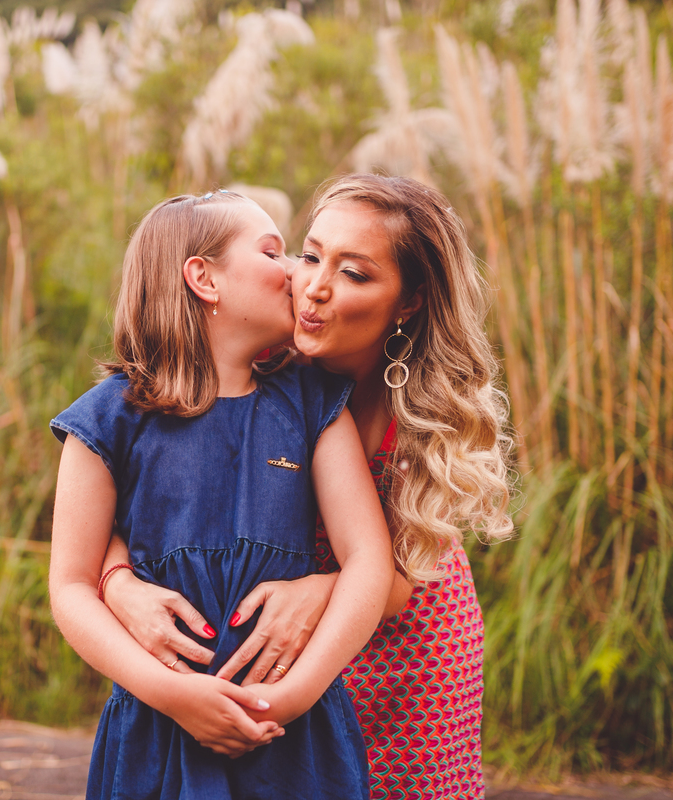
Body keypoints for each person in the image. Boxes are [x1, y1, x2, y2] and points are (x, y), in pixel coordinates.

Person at [100, 175, 514, 799]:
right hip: (271, 650)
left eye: (355, 273)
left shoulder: (425, 409)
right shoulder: (264, 364)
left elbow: (397, 571)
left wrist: (320, 590)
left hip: (405, 655)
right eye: (311, 255)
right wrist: (118, 581)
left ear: (408, 302)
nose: (315, 286)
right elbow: (140, 494)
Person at [48, 189, 396, 800]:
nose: (294, 272)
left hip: (293, 737)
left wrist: (289, 699)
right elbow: (71, 587)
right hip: (160, 728)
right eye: (273, 252)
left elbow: (369, 559)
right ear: (204, 279)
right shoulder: (105, 420)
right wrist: (173, 693)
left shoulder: (312, 403)